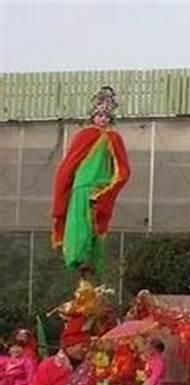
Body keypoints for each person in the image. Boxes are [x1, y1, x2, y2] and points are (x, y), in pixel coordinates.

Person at [51, 86, 131, 276]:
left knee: (97, 229)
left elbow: (123, 169)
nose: (103, 119)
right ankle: (79, 262)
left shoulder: (114, 138)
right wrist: (62, 194)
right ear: (93, 117)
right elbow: (68, 166)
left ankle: (90, 267)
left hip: (101, 189)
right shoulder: (84, 135)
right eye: (99, 115)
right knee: (80, 226)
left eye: (106, 116)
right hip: (81, 188)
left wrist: (108, 191)